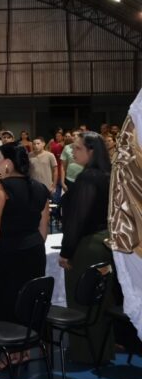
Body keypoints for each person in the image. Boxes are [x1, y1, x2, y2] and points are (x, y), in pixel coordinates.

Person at [0, 143, 50, 367]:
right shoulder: (40, 188)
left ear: (8, 163)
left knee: (6, 301)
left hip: (8, 252)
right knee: (29, 301)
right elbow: (44, 227)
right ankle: (25, 349)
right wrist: (33, 245)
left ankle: (9, 353)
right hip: (33, 251)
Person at [58, 132, 115, 363]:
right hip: (104, 242)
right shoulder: (107, 175)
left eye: (78, 148)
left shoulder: (88, 178)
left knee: (81, 300)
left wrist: (66, 251)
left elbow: (77, 219)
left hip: (88, 246)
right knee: (102, 301)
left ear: (91, 151)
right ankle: (103, 350)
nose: (73, 152)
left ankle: (83, 352)